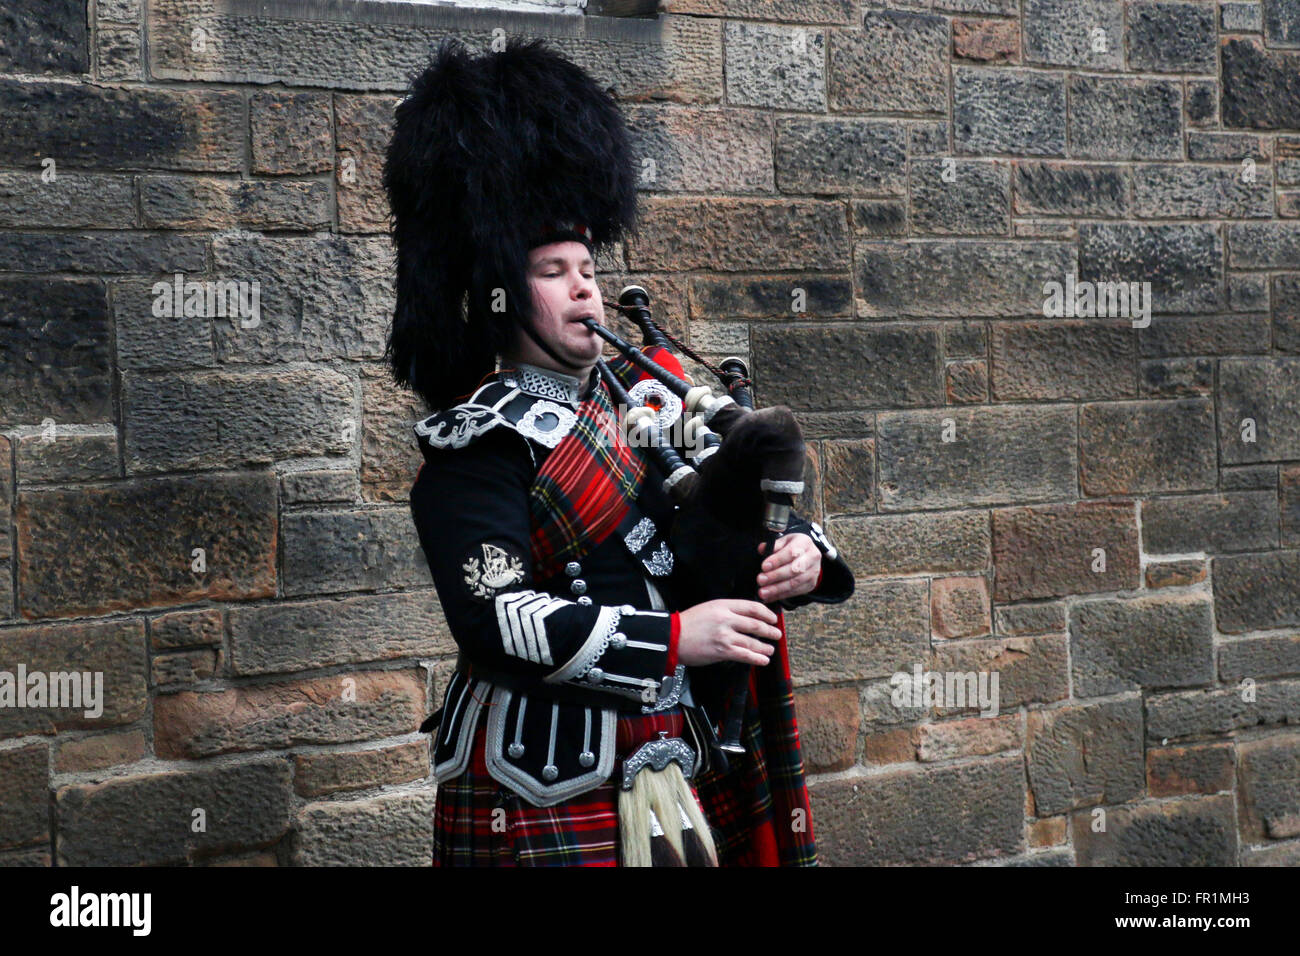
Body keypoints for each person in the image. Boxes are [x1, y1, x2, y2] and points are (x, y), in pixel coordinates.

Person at [384, 37, 854, 867]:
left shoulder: (655, 400)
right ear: (496, 293)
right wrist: (676, 639)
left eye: (589, 266)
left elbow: (757, 506)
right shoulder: (478, 441)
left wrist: (802, 558)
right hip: (540, 777)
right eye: (553, 270)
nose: (584, 287)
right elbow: (494, 620)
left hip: (675, 748)